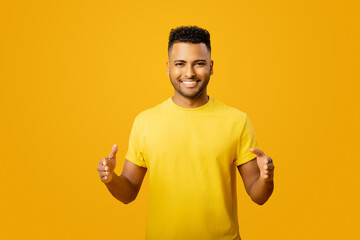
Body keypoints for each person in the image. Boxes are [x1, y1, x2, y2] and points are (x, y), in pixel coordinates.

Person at [97, 26, 274, 240]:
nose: (189, 73)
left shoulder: (237, 121)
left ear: (211, 66)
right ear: (168, 67)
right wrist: (111, 179)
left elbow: (258, 196)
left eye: (198, 64)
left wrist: (266, 179)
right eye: (180, 64)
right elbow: (128, 193)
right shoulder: (146, 122)